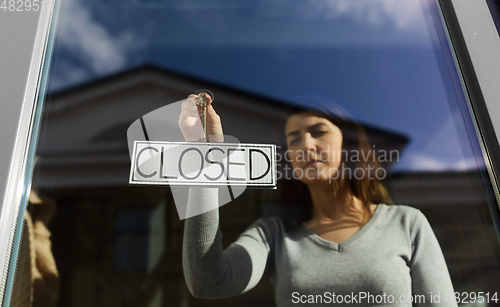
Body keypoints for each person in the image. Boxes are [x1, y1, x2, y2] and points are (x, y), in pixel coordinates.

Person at [180, 94, 457, 306]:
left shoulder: (407, 224)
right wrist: (207, 158)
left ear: (347, 144)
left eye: (319, 132)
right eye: (295, 139)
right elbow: (207, 281)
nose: (307, 146)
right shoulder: (274, 235)